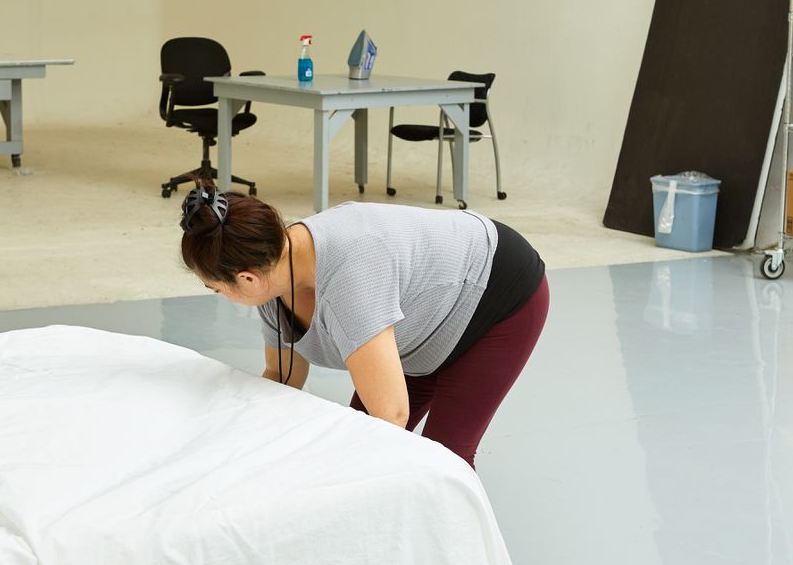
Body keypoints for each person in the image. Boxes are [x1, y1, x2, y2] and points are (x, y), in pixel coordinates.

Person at [178, 183, 548, 469]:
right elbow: (282, 375)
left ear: (246, 279)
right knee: (357, 440)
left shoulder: (351, 275)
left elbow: (391, 415)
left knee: (444, 457)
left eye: (215, 288)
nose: (219, 295)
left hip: (495, 295)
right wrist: (235, 437)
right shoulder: (274, 273)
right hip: (423, 318)